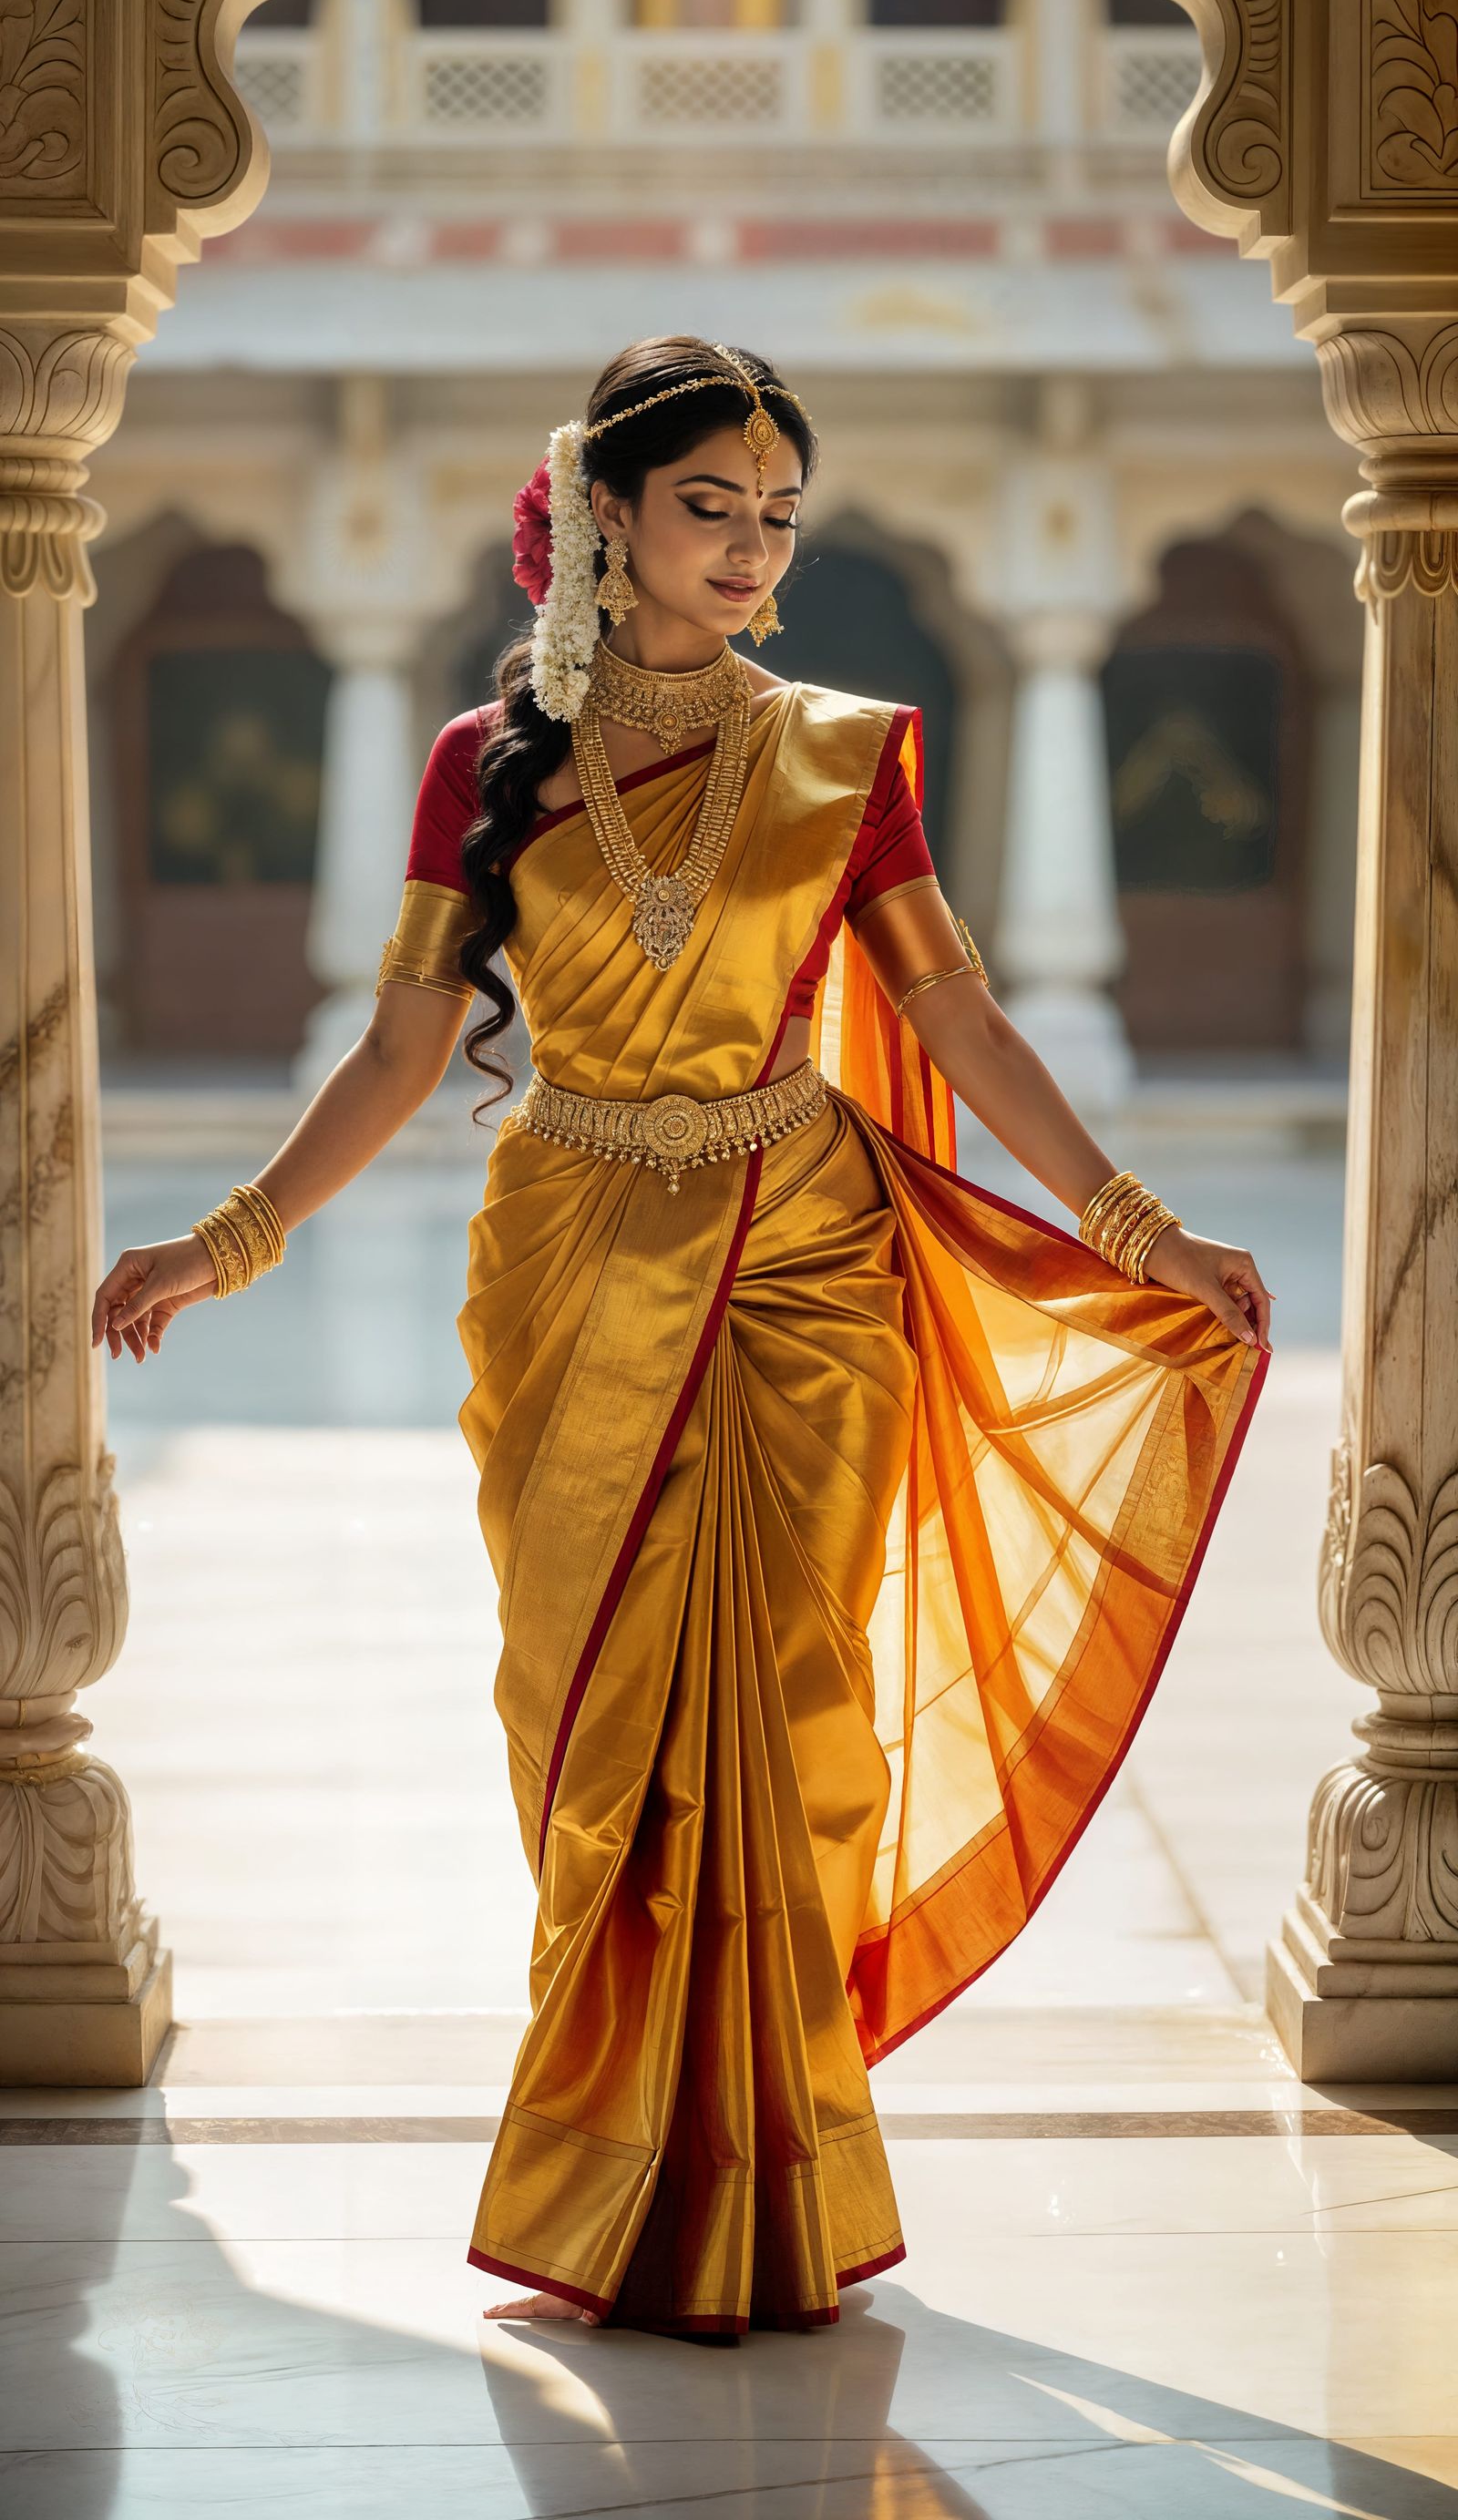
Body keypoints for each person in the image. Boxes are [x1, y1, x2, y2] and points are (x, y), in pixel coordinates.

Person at [92, 334, 1273, 2343]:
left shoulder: (838, 752)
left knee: (788, 1721)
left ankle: (767, 2172)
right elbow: (398, 1045)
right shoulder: (485, 762)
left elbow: (968, 1026)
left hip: (801, 1269)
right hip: (561, 1255)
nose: (746, 548)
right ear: (605, 515)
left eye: (776, 515)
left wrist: (1133, 1222)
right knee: (592, 1743)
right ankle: (609, 2171)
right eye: (708, 506)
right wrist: (231, 1237)